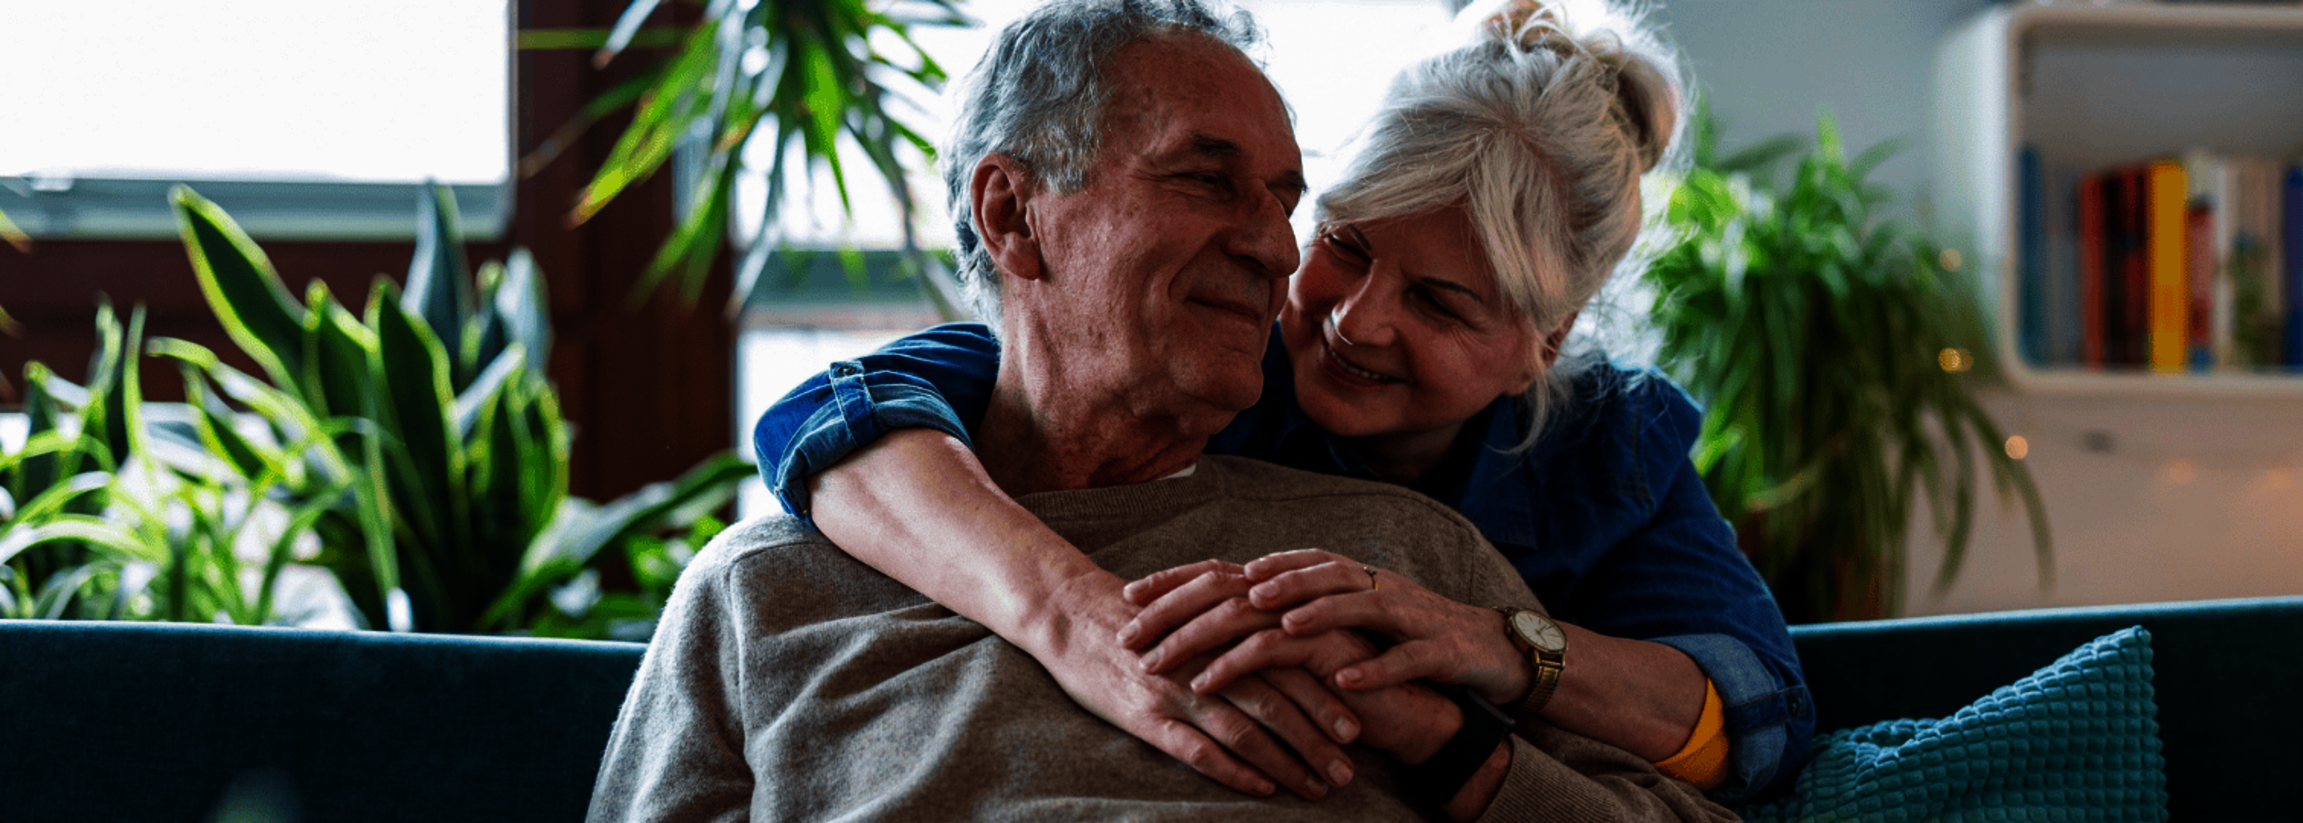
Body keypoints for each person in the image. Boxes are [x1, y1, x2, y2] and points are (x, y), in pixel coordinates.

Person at [587, 2, 1736, 819]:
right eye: (1205, 179)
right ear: (1015, 215)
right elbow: (836, 409)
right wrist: (1077, 618)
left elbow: (1746, 724)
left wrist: (1451, 730)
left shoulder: (1410, 562)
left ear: (1539, 347)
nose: (1279, 256)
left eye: (1284, 201)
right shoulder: (765, 586)